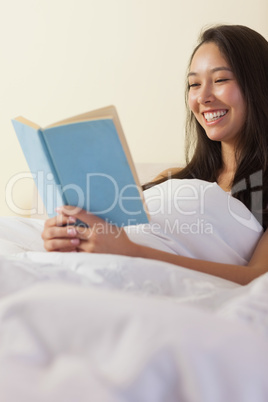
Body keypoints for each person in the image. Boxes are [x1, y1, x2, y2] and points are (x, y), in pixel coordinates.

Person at [42, 24, 268, 285]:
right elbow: (115, 234)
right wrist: (69, 234)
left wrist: (132, 253)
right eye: (194, 84)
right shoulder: (172, 179)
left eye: (220, 80)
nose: (202, 97)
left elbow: (259, 278)